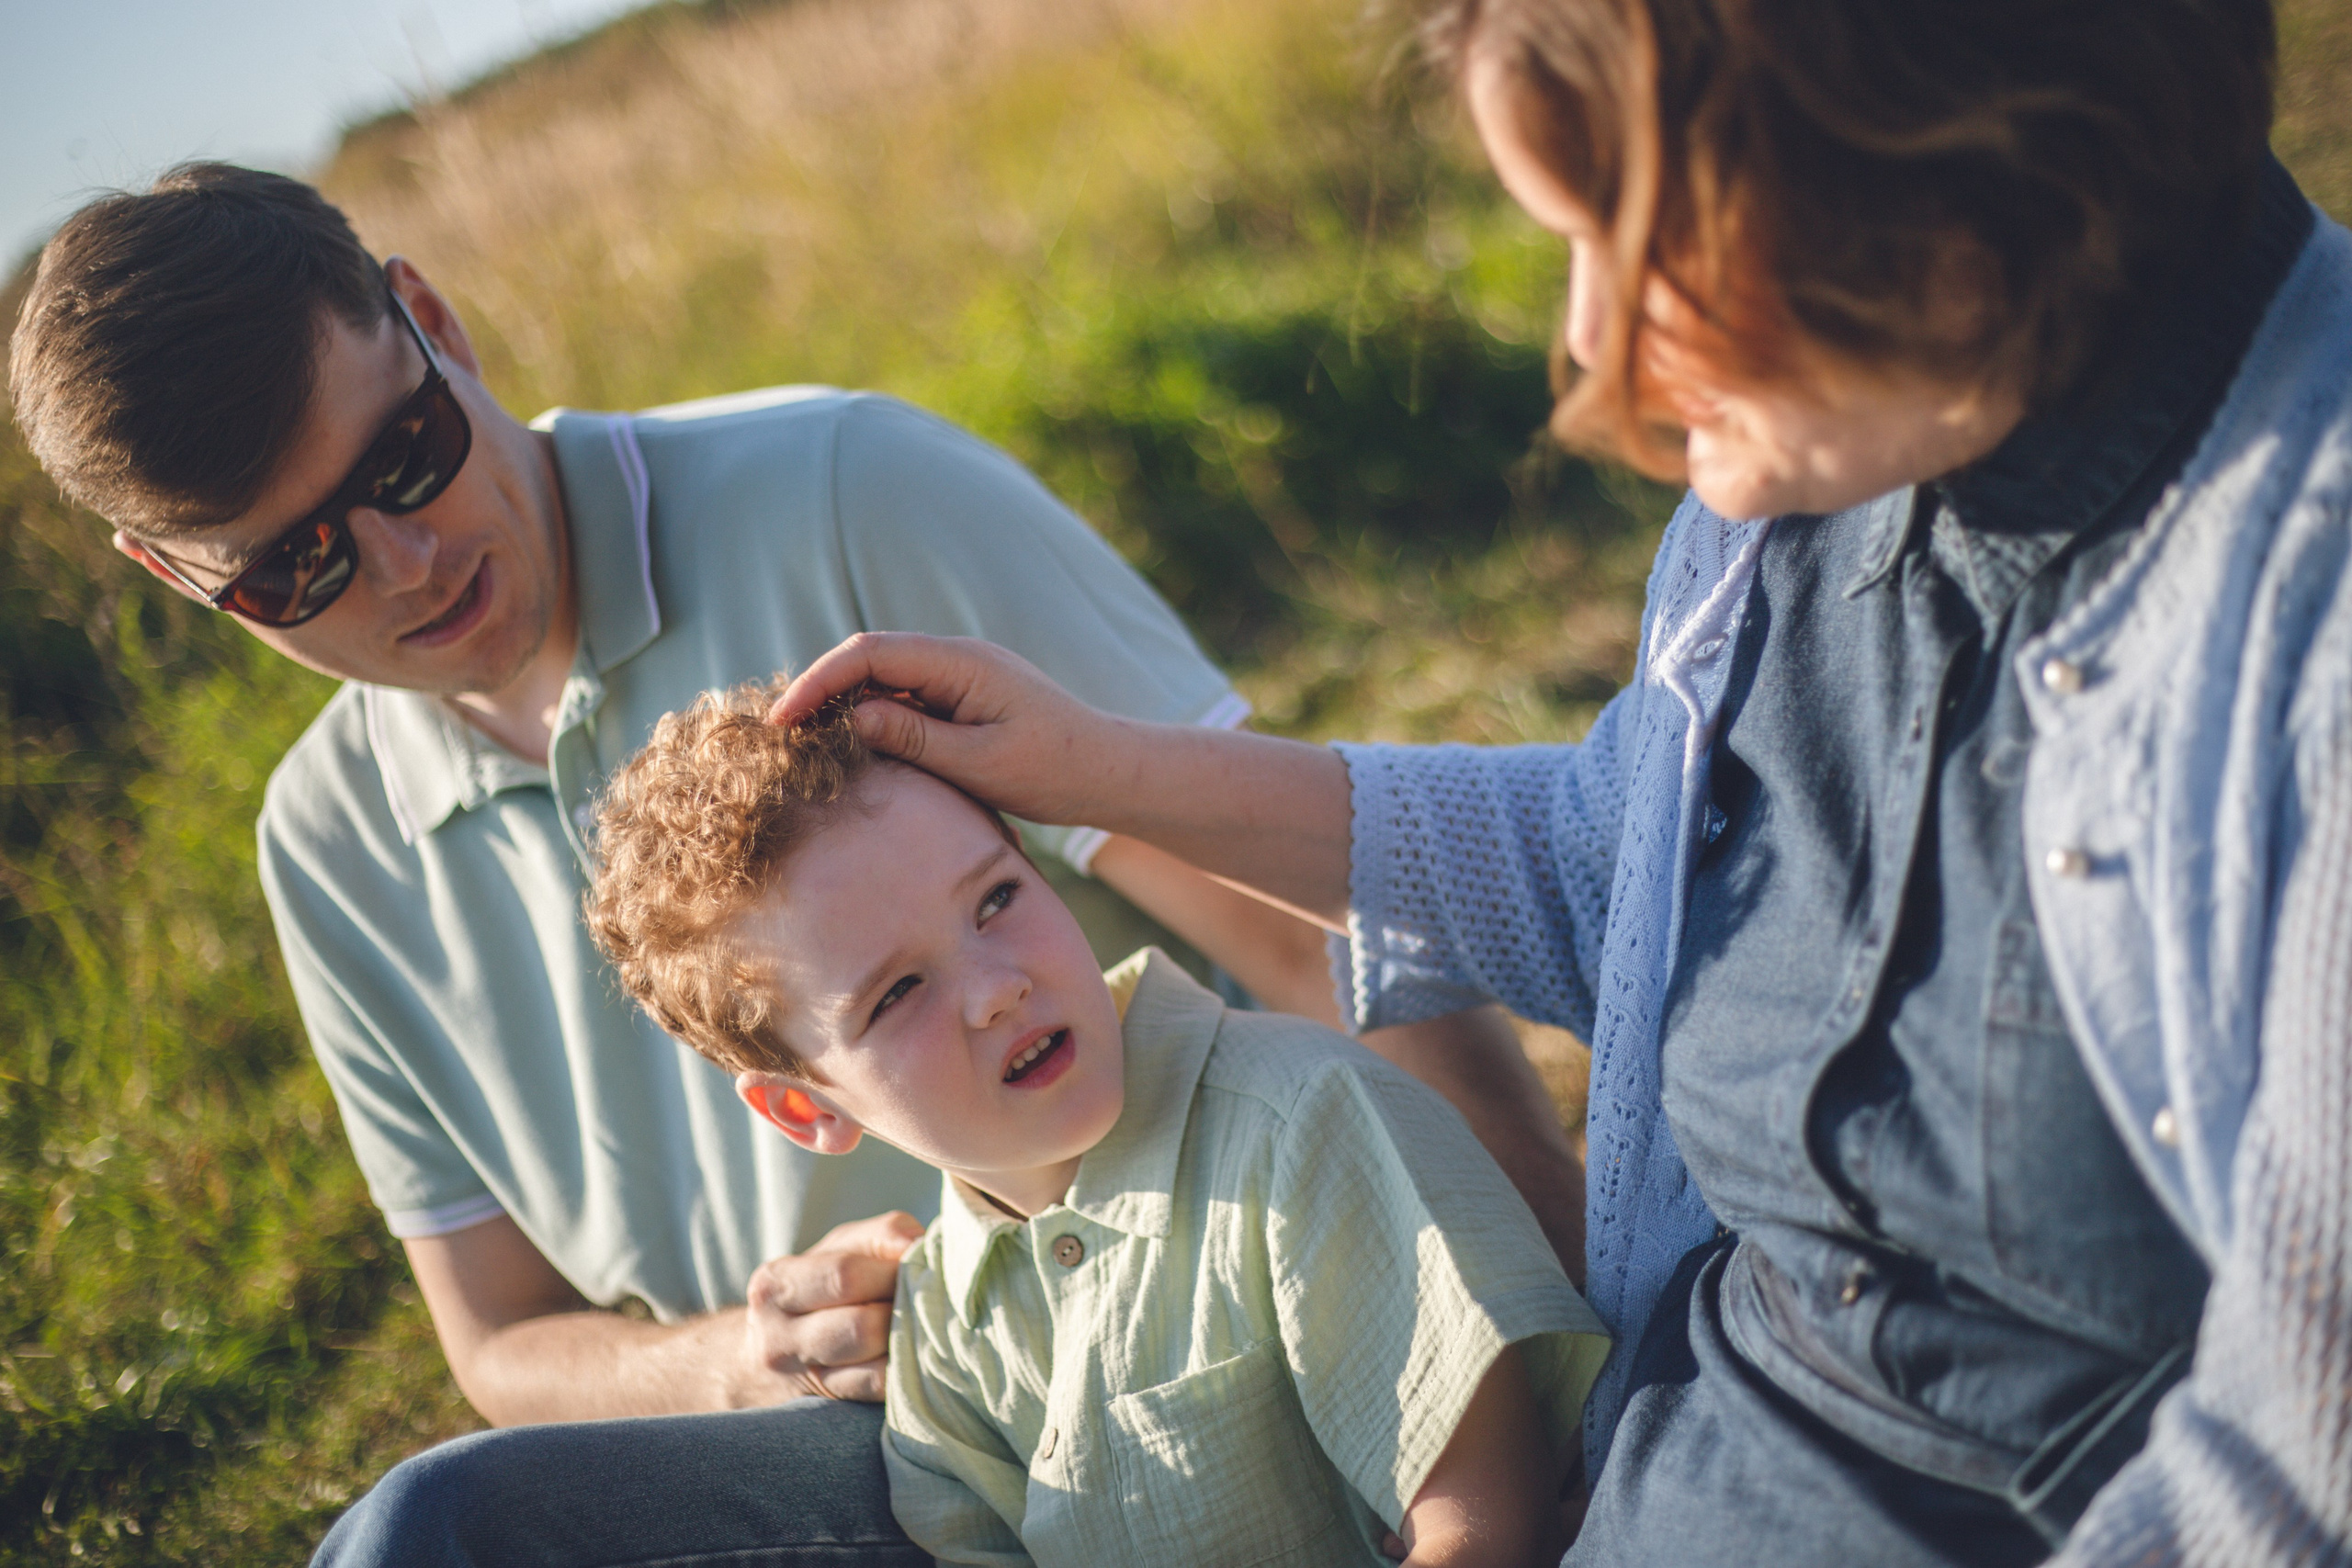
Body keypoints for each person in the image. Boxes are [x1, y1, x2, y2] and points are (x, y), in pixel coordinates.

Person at [771, 0, 2352, 1562]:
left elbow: (2294, 1471)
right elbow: (1612, 868)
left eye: (1649, 251)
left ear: (1948, 174)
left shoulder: (2305, 624)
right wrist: (1100, 766)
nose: (1590, 341)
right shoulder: (1822, 469)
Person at [6, 163, 1585, 1564]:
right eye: (296, 566)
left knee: (441, 1528)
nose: (405, 566)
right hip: (876, 1451)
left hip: (1222, 1335)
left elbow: (1325, 934)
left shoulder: (848, 495)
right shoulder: (325, 849)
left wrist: (1579, 1345)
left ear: (431, 319)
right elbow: (497, 1341)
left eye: (405, 456)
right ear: (176, 577)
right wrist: (742, 1354)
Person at [582, 680, 1609, 1566]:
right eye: (896, 994)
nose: (995, 988)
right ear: (806, 1107)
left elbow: (1491, 1527)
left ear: (1031, 859)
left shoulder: (1303, 1123)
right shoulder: (941, 1326)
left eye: (993, 902)